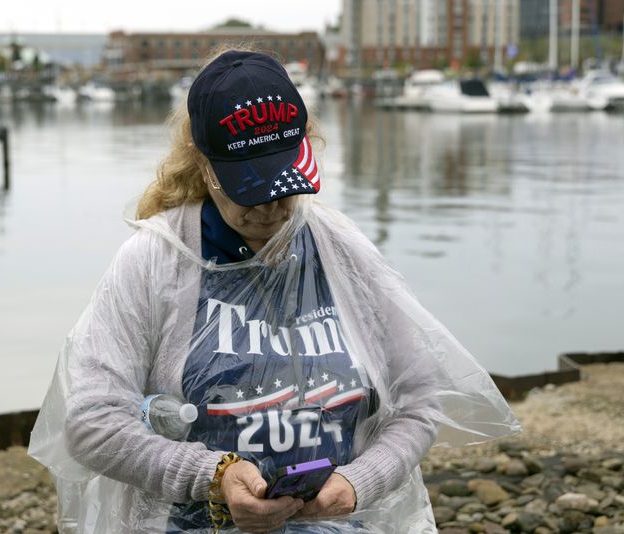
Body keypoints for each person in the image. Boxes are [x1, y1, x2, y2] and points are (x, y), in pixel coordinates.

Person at [29, 48, 520, 534]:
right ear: (206, 168)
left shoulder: (343, 252)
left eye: (286, 185)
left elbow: (417, 399)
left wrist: (358, 482)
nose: (272, 209)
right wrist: (213, 475)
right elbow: (93, 421)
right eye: (252, 190)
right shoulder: (154, 262)